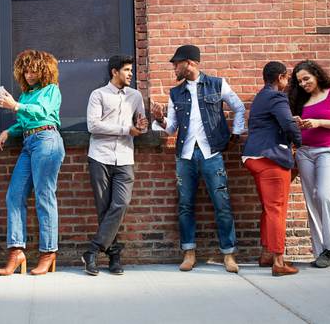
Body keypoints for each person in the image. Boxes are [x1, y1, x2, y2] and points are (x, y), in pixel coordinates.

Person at [151, 44, 245, 273]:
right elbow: (172, 129)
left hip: (211, 152)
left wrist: (235, 135)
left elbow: (239, 108)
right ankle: (189, 252)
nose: (174, 68)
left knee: (222, 204)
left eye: (177, 63)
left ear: (190, 63)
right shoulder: (175, 93)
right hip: (185, 155)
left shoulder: (217, 84)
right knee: (185, 205)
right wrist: (161, 120)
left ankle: (228, 254)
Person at [0, 50, 65, 276]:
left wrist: (15, 106)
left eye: (34, 69)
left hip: (47, 140)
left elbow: (43, 112)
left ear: (44, 71)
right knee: (14, 195)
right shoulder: (26, 95)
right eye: (25, 70)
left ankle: (48, 252)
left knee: (44, 196)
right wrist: (10, 130)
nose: (29, 74)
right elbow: (26, 120)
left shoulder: (51, 90)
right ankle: (17, 252)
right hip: (29, 143)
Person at [81, 55, 147, 276]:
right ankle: (114, 257)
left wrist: (142, 127)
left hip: (125, 158)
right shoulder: (98, 95)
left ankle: (92, 251)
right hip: (100, 156)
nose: (131, 74)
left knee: (120, 204)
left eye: (131, 70)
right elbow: (93, 125)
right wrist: (125, 129)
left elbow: (140, 124)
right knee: (104, 209)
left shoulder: (136, 96)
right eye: (127, 70)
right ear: (114, 71)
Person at [287, 60, 330, 268]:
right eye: (299, 81)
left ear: (316, 75)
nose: (304, 83)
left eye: (306, 78)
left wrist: (319, 122)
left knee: (324, 194)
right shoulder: (300, 99)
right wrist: (298, 123)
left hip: (327, 151)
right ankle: (320, 250)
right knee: (311, 200)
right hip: (304, 152)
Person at [242, 62, 302, 276]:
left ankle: (267, 253)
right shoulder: (277, 97)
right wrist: (299, 141)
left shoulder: (261, 96)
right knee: (277, 208)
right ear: (281, 77)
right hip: (271, 157)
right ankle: (278, 260)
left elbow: (273, 123)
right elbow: (287, 124)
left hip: (255, 157)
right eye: (286, 78)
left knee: (269, 208)